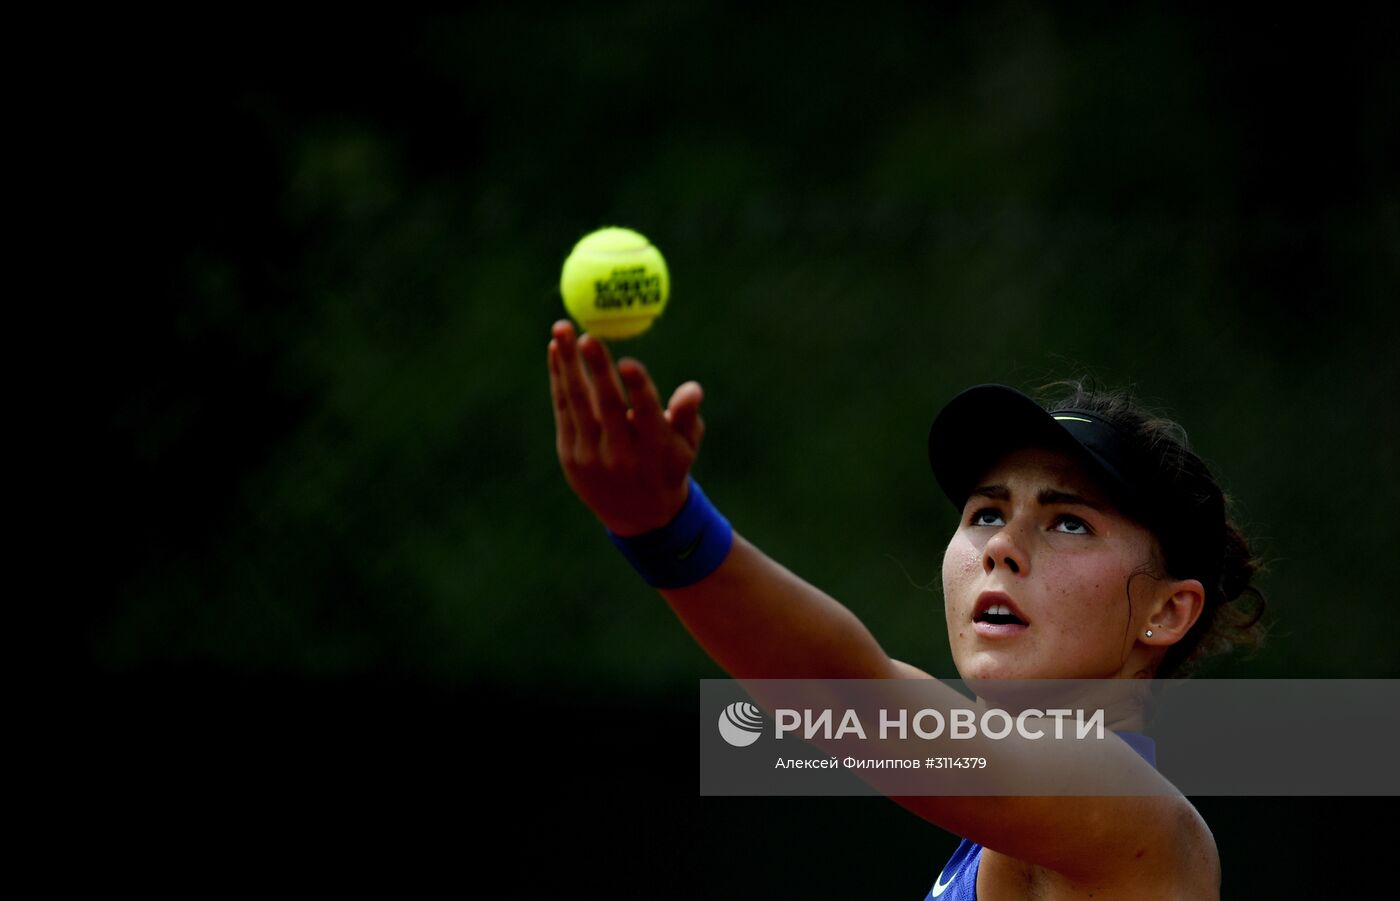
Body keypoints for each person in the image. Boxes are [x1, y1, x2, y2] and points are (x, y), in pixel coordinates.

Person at [546, 319, 1266, 899]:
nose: (1001, 548)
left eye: (1069, 521)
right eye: (985, 512)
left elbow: (848, 691)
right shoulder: (1010, 831)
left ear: (1168, 612)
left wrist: (667, 528)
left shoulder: (1130, 811)